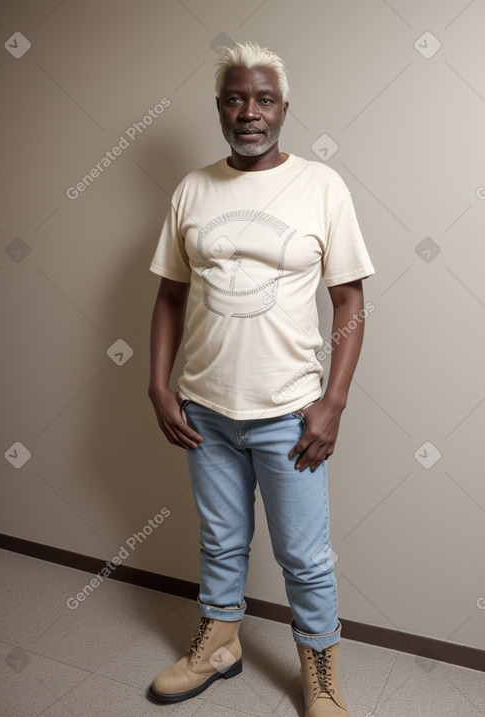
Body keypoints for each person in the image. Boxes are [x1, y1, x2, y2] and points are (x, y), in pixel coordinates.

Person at [147, 41, 374, 717]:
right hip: (205, 409)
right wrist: (159, 387)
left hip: (289, 413)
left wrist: (333, 400)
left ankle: (323, 675)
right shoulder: (192, 187)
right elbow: (168, 295)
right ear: (220, 106)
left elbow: (350, 301)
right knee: (219, 537)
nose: (250, 112)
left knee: (303, 556)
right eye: (235, 98)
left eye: (264, 99)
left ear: (283, 108)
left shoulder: (321, 185)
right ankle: (219, 643)